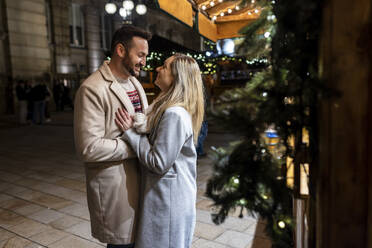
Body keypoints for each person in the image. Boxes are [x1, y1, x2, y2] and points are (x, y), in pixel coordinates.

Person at [115, 53, 205, 248]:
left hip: (169, 202)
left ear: (176, 77)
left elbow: (158, 162)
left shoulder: (175, 114)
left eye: (164, 66)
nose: (157, 69)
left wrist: (131, 133)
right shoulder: (165, 108)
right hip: (165, 197)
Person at [74, 25, 151, 248]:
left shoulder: (135, 82)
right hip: (115, 189)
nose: (144, 62)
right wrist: (136, 145)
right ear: (120, 50)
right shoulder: (92, 88)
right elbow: (88, 148)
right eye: (140, 55)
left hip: (141, 183)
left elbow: (141, 121)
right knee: (120, 245)